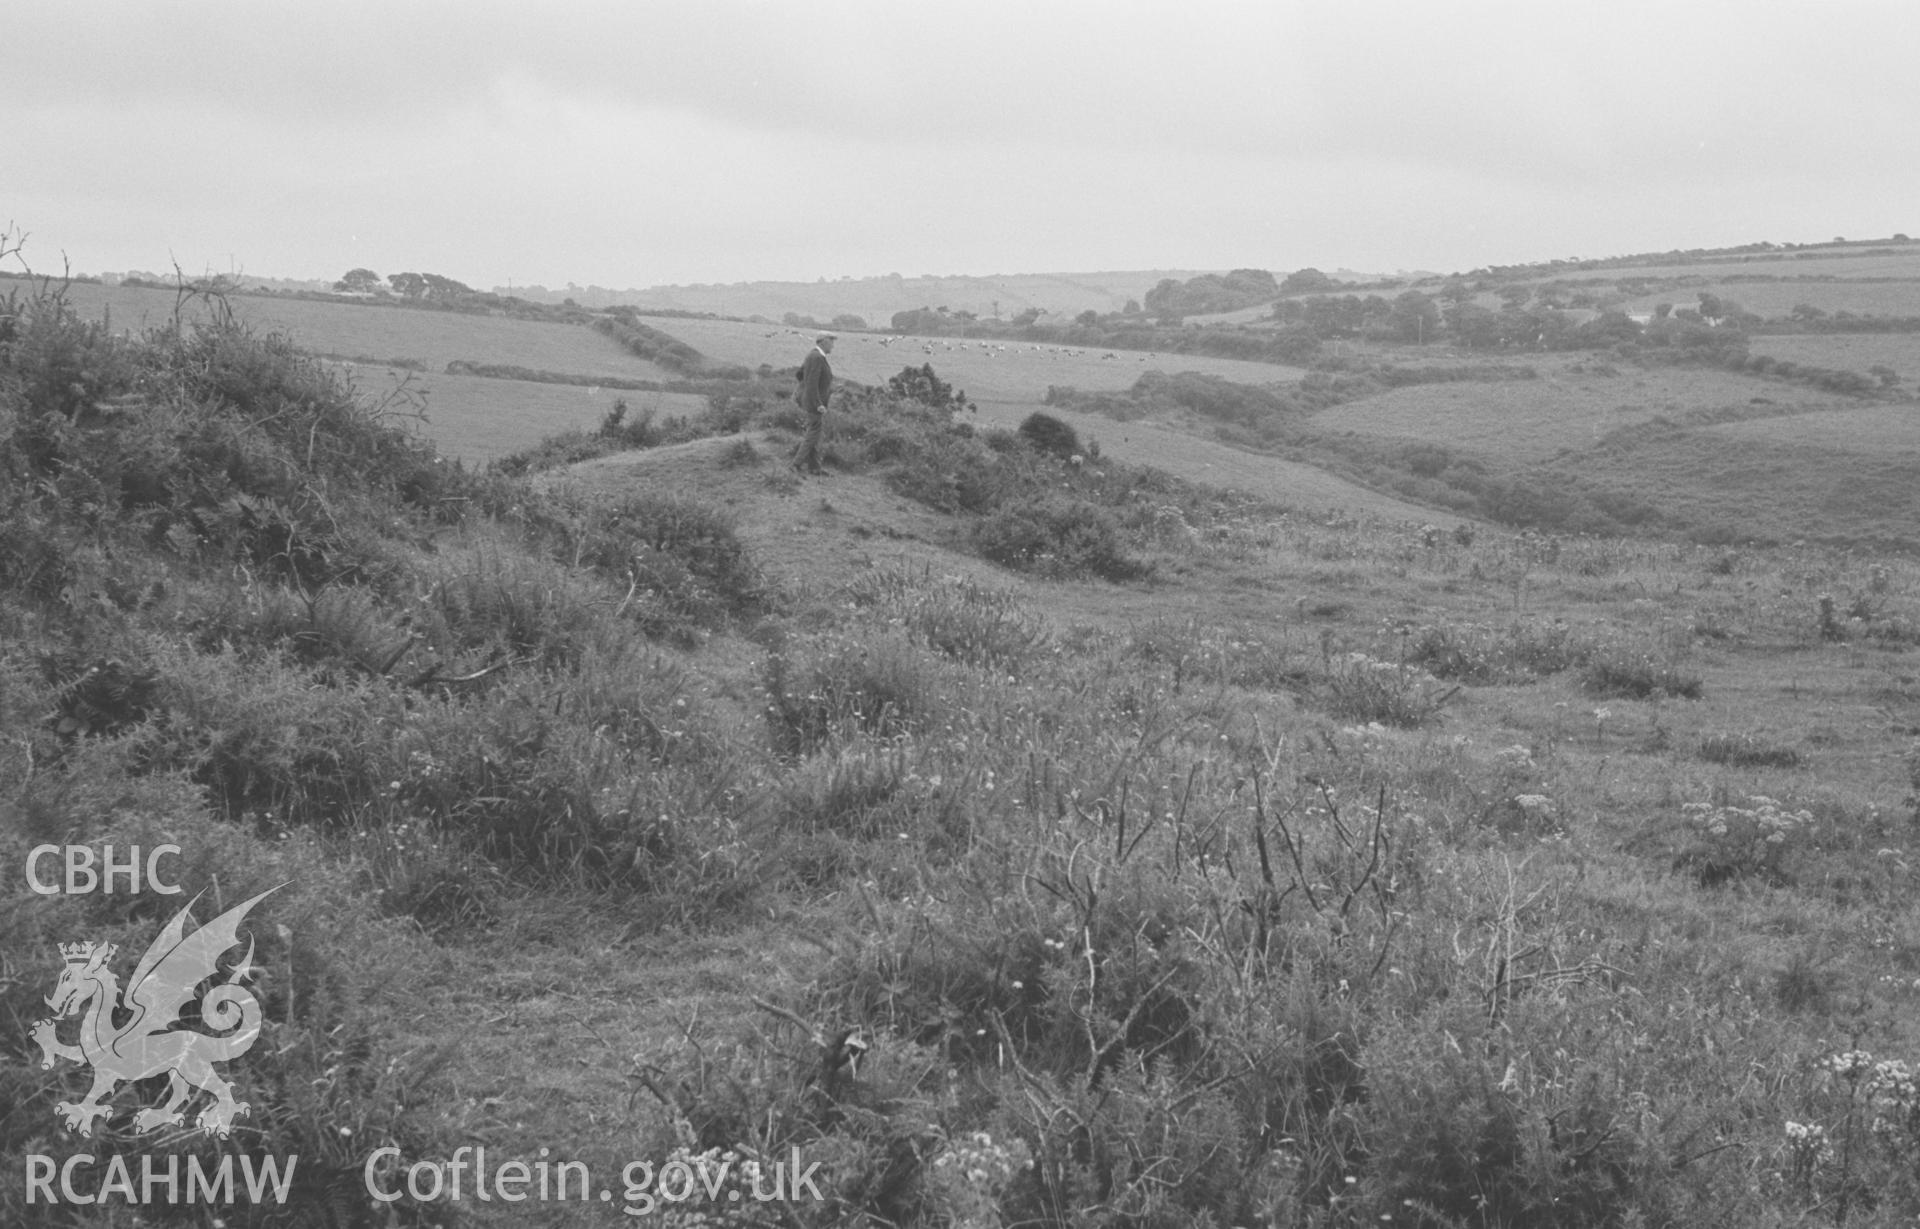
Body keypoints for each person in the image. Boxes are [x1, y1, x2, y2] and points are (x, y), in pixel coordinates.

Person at [790, 332, 835, 475]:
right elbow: (812, 382)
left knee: (815, 433)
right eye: (831, 341)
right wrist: (818, 403)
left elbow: (800, 374)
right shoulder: (817, 357)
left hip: (811, 401)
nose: (833, 345)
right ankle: (796, 464)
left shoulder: (813, 355)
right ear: (823, 342)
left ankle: (814, 467)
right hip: (815, 404)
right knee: (813, 433)